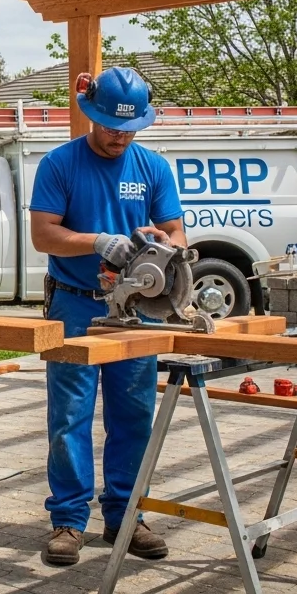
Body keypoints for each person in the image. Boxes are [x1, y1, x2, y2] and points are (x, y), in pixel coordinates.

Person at [28, 66, 185, 566]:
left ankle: (125, 515)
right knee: (69, 416)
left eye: (130, 126)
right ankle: (69, 521)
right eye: (111, 125)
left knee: (133, 414)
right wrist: (98, 241)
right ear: (91, 114)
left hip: (139, 308)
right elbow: (43, 235)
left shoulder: (153, 167)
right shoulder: (59, 165)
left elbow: (177, 234)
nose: (120, 134)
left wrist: (164, 245)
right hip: (75, 301)